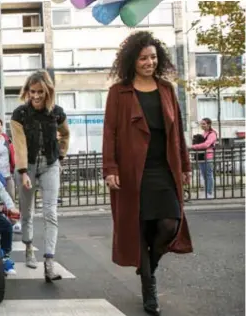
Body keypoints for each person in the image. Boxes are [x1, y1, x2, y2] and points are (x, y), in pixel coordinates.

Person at [102, 31, 193, 315]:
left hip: (163, 168)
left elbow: (177, 130)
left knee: (169, 223)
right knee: (139, 228)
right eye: (143, 58)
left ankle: (148, 267)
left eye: (153, 57)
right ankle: (149, 290)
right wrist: (110, 168)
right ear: (132, 60)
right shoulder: (119, 92)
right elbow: (110, 133)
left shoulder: (166, 88)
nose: (149, 62)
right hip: (131, 170)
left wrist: (185, 165)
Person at [10, 70, 70, 282]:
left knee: (50, 213)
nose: (36, 96)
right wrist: (24, 171)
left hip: (50, 165)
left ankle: (49, 263)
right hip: (29, 166)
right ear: (27, 91)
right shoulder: (19, 115)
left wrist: (61, 156)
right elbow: (19, 144)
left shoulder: (57, 112)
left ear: (48, 92)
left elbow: (65, 133)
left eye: (40, 92)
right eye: (32, 91)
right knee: (27, 212)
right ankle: (28, 248)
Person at [191, 117, 217, 199]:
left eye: (204, 124)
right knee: (204, 176)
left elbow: (206, 144)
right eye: (201, 124)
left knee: (209, 175)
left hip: (208, 156)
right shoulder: (204, 133)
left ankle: (209, 193)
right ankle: (206, 192)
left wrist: (194, 146)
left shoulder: (212, 134)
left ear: (209, 124)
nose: (202, 125)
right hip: (201, 156)